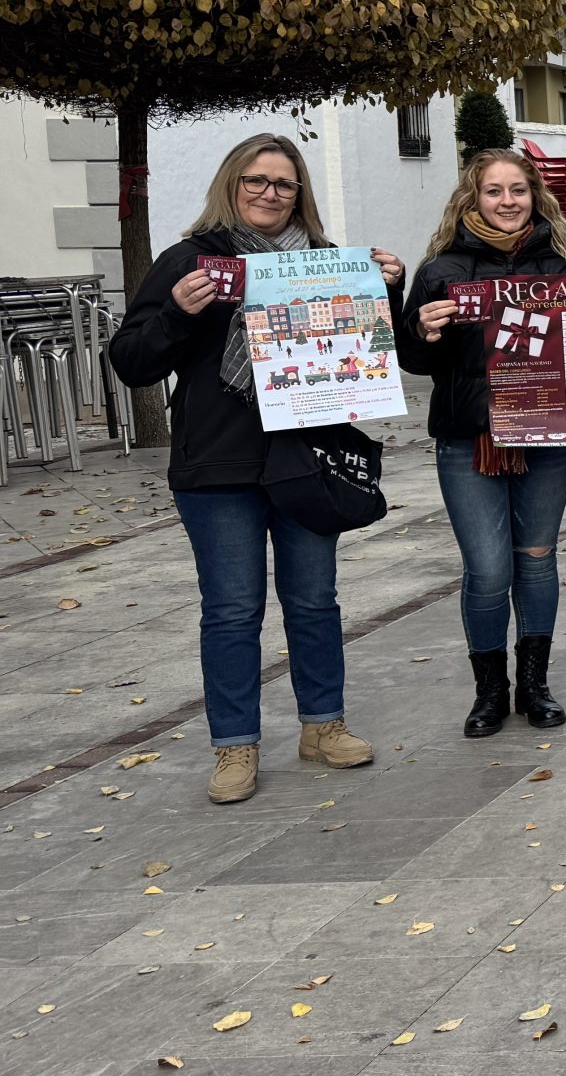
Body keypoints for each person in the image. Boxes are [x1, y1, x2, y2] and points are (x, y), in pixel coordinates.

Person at [108, 134, 402, 803]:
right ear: (231, 184)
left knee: (313, 600)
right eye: (256, 181)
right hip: (219, 463)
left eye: (284, 184)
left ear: (300, 194)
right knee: (233, 610)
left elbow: (368, 354)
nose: (270, 193)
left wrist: (386, 288)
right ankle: (234, 746)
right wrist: (180, 315)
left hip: (307, 458)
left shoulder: (329, 263)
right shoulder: (191, 260)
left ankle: (323, 725)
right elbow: (130, 360)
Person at [399, 150, 566, 738]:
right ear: (471, 200)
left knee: (537, 560)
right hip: (468, 439)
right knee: (485, 570)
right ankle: (490, 690)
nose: (507, 201)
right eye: (494, 192)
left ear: (535, 196)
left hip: (548, 434)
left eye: (518, 191)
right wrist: (423, 331)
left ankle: (534, 683)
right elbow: (414, 359)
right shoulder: (440, 269)